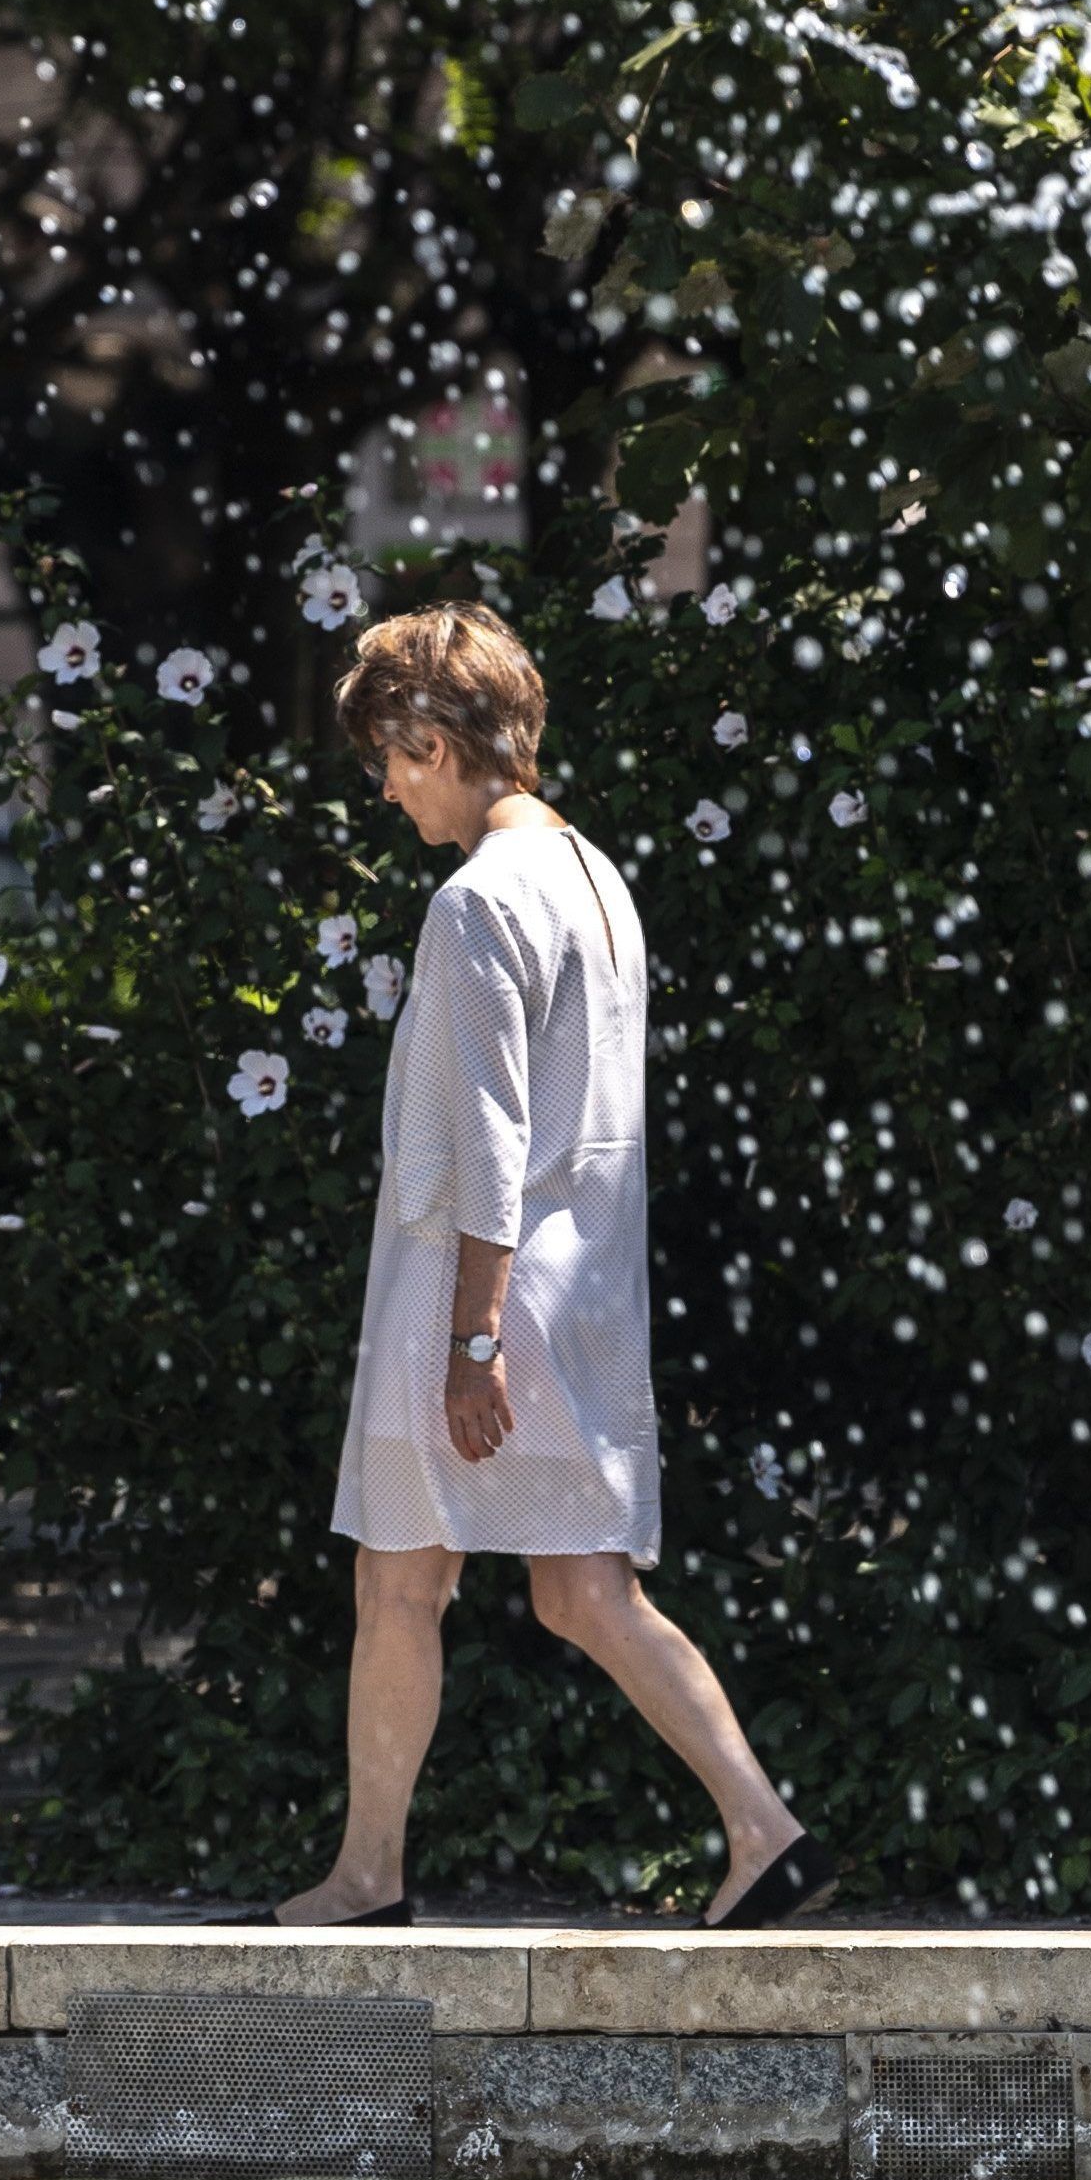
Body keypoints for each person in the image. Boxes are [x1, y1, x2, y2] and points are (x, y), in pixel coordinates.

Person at [271, 599, 836, 1930]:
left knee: (400, 1578)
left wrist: (470, 1343)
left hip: (477, 1297)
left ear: (438, 731)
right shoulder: (597, 878)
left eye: (396, 757)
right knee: (586, 1589)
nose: (390, 787)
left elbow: (487, 1140)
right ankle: (767, 1832)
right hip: (581, 1295)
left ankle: (368, 1876)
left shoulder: (476, 902)